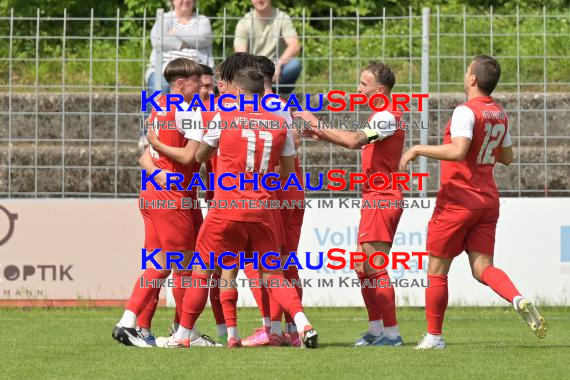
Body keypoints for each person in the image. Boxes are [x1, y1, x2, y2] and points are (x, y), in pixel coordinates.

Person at [156, 68, 319, 349]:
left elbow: (198, 154)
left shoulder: (223, 117)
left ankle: (183, 335)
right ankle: (302, 322)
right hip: (264, 208)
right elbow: (287, 173)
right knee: (273, 273)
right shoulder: (280, 122)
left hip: (227, 207)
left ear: (240, 93)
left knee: (202, 270)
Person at [399, 55, 547, 349]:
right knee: (483, 268)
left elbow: (458, 151)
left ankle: (434, 337)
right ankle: (516, 297)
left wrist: (418, 149)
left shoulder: (466, 111)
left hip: (458, 201)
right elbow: (506, 158)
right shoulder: (499, 114)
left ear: (473, 80)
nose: (465, 74)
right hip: (487, 201)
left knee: (437, 270)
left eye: (468, 70)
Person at [296, 62, 405, 347]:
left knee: (375, 265)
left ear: (379, 89)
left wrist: (317, 124)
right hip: (373, 198)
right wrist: (320, 134)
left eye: (363, 83)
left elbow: (356, 140)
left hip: (383, 198)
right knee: (362, 265)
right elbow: (357, 140)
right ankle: (376, 329)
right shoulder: (381, 115)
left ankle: (392, 335)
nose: (358, 88)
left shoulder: (388, 117)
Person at [112, 58, 219, 348]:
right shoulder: (190, 114)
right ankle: (173, 330)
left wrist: (157, 168)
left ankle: (142, 326)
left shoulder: (159, 104)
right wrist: (160, 151)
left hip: (154, 194)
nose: (201, 86)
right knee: (177, 266)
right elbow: (188, 158)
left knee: (162, 263)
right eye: (197, 81)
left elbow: (143, 153)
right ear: (181, 84)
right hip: (172, 199)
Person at [141, 0, 214, 148]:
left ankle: (200, 133)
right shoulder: (164, 18)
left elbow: (204, 38)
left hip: (196, 69)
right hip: (164, 69)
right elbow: (157, 40)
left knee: (201, 87)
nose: (185, 1)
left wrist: (175, 33)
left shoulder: (202, 20)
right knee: (160, 84)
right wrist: (186, 42)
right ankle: (149, 132)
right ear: (172, 1)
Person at [234, 0, 301, 95]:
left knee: (294, 65)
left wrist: (279, 64)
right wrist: (256, 71)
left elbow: (295, 45)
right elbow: (240, 53)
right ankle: (261, 91)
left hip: (278, 69)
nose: (259, 0)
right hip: (254, 69)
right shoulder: (244, 22)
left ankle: (281, 93)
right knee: (238, 68)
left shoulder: (282, 18)